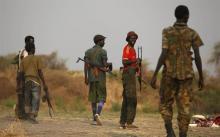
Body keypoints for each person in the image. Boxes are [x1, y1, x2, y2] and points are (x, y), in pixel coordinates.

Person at [150, 5, 204, 137]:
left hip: (169, 74)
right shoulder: (192, 33)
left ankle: (169, 132)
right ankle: (183, 134)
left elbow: (164, 53)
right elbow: (197, 56)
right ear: (187, 16)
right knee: (184, 107)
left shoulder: (167, 32)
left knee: (165, 104)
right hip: (186, 76)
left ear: (176, 16)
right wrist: (201, 76)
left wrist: (155, 74)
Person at [18, 35, 48, 124]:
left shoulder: (24, 60)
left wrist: (20, 84)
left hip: (27, 81)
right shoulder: (37, 58)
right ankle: (33, 116)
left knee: (28, 98)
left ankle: (28, 115)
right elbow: (40, 72)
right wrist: (44, 83)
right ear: (33, 49)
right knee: (35, 99)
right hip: (36, 82)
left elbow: (21, 73)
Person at [84, 34, 109, 126]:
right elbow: (105, 64)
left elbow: (86, 65)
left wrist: (86, 77)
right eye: (103, 40)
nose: (104, 42)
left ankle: (94, 119)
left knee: (93, 99)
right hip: (101, 78)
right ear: (99, 41)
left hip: (91, 78)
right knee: (102, 97)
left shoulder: (88, 51)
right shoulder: (103, 51)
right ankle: (98, 114)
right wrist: (108, 65)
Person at [119, 31, 140, 129]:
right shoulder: (127, 48)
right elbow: (124, 61)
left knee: (127, 99)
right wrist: (136, 60)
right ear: (128, 39)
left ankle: (123, 121)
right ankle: (129, 122)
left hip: (131, 75)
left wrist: (137, 67)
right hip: (128, 75)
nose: (133, 40)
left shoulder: (132, 49)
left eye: (135, 38)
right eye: (131, 38)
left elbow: (132, 63)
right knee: (131, 98)